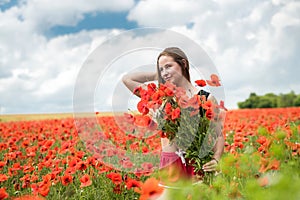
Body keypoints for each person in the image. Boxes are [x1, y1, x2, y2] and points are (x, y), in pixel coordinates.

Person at [122, 47, 224, 186]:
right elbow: (127, 79)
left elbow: (218, 134)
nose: (164, 72)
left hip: (198, 162)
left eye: (168, 66)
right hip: (170, 164)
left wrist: (216, 158)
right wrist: (158, 75)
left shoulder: (206, 98)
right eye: (161, 69)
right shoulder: (160, 97)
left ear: (183, 64)